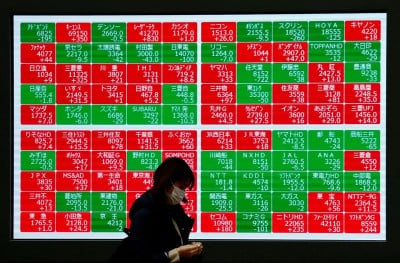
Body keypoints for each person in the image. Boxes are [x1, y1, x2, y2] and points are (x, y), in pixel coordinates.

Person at [108, 157, 204, 263]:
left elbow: (174, 244)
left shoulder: (173, 209)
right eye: (181, 187)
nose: (182, 192)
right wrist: (176, 254)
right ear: (167, 182)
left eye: (185, 188)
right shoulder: (145, 214)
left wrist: (191, 250)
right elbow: (141, 259)